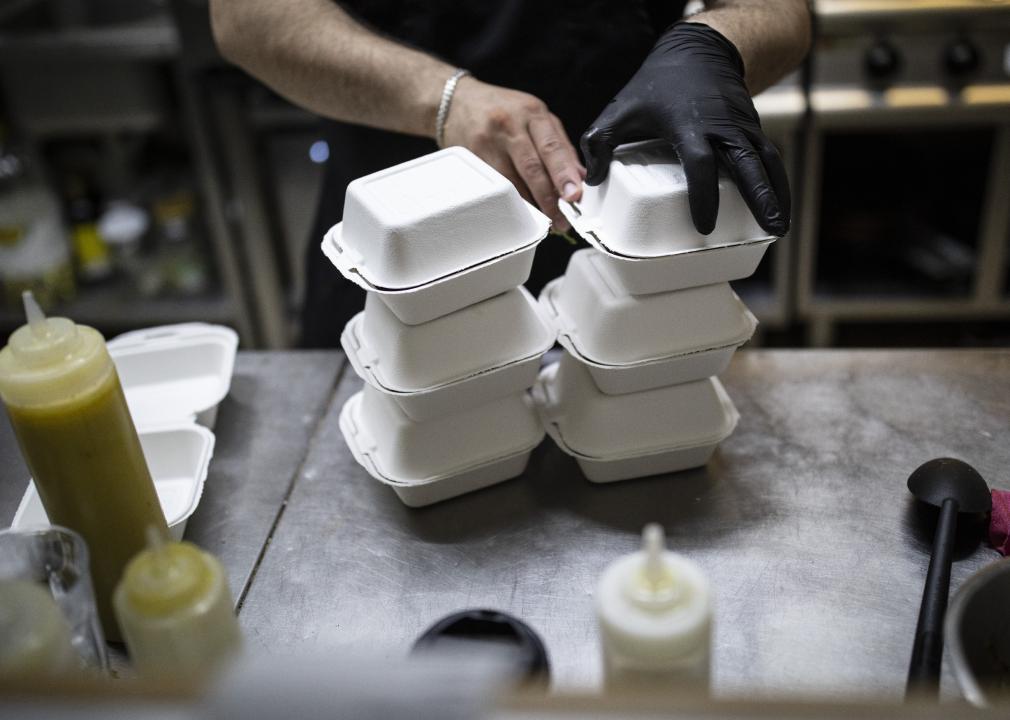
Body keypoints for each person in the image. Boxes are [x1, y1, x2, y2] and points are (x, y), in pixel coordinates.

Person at [209, 1, 811, 347]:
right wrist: (441, 100)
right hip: (401, 238)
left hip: (638, 234)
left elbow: (783, 12)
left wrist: (710, 45)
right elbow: (245, 16)